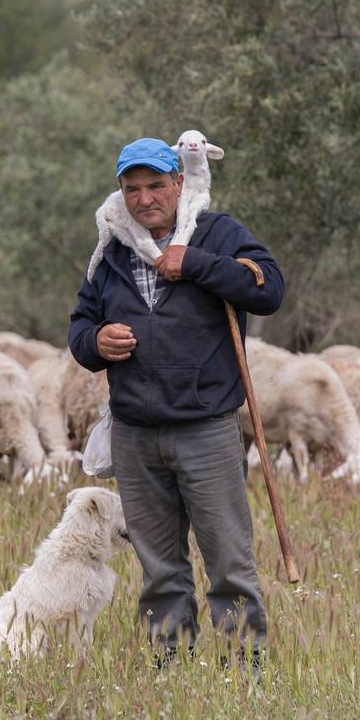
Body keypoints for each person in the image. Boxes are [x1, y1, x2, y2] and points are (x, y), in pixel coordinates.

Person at [67, 137, 285, 666]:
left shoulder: (217, 233)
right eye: (132, 188)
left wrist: (198, 264)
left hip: (206, 428)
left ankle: (245, 673)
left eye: (155, 185)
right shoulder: (112, 250)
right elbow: (79, 329)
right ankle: (170, 670)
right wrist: (97, 343)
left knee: (230, 562)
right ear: (121, 193)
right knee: (160, 567)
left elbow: (268, 288)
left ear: (179, 183)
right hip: (136, 434)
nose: (144, 198)